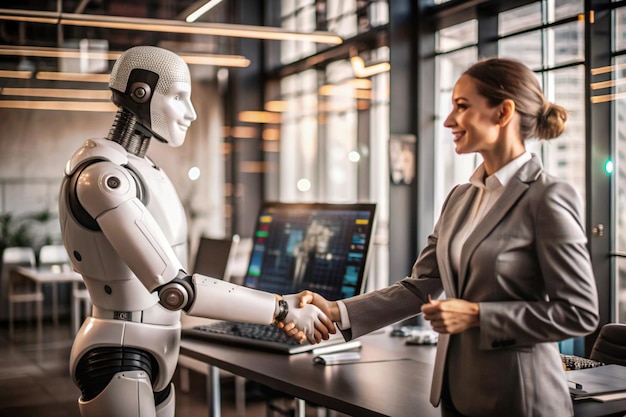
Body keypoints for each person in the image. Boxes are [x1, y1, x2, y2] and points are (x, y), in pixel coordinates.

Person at [282, 57, 600, 417]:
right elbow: (420, 287)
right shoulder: (461, 198)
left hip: (521, 398)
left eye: (462, 107)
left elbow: (579, 312)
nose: (449, 120)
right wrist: (337, 311)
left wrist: (479, 315)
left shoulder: (547, 196)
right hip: (456, 394)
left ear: (503, 112)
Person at [58, 45, 331, 417]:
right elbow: (173, 289)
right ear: (142, 93)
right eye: (179, 97)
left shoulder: (139, 169)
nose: (191, 112)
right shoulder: (101, 178)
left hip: (156, 344)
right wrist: (281, 309)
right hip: (120, 348)